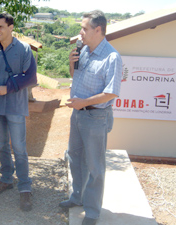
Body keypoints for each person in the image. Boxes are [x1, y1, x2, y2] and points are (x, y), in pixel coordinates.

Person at [59, 10, 122, 225]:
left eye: (84, 28)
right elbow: (74, 76)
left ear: (98, 29)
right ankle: (77, 197)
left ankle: (93, 212)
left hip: (96, 117)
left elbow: (111, 93)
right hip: (78, 115)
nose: (80, 33)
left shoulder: (112, 57)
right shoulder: (83, 51)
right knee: (75, 158)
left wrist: (83, 103)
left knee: (95, 166)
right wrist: (71, 62)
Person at [0, 13, 33, 211]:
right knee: (2, 145)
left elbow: (30, 78)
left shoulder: (24, 49)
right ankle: (6, 178)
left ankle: (24, 187)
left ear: (11, 27)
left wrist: (8, 88)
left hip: (15, 106)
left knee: (19, 148)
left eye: (1, 27)